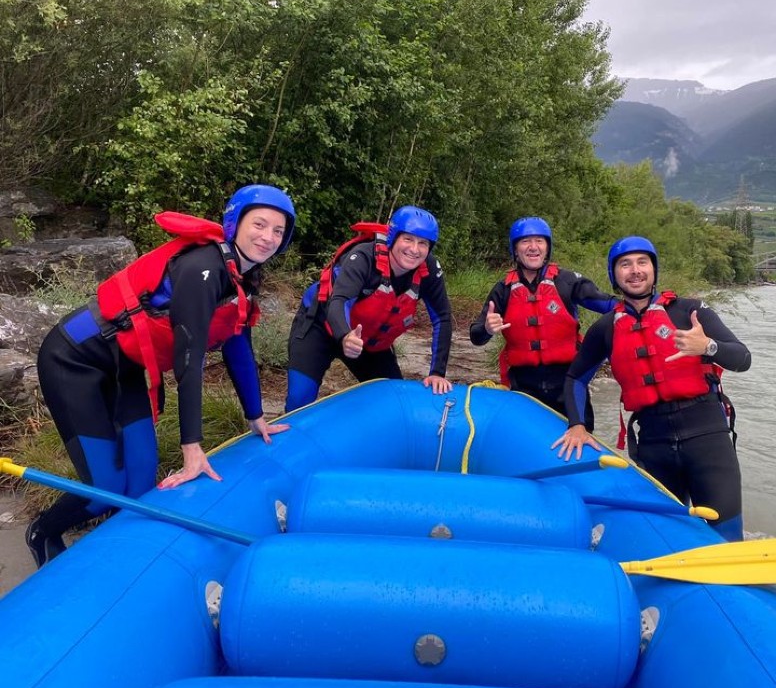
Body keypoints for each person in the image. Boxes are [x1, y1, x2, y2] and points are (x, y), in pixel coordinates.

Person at [27, 184, 295, 567]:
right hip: (75, 361)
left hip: (127, 369)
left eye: (278, 231)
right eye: (260, 225)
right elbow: (189, 358)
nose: (268, 237)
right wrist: (192, 449)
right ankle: (43, 531)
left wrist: (256, 417)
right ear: (235, 223)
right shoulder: (202, 266)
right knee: (105, 490)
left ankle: (121, 557)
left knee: (138, 486)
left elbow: (238, 348)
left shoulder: (242, 279)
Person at [553, 236, 751, 541]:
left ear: (654, 269)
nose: (635, 270)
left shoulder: (690, 311)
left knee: (725, 537)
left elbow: (742, 358)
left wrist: (707, 346)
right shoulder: (606, 328)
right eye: (625, 264)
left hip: (708, 440)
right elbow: (575, 378)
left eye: (642, 262)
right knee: (666, 539)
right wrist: (577, 425)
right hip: (653, 443)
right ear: (614, 275)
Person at [285, 205, 453, 412]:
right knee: (299, 398)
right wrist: (345, 335)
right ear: (393, 238)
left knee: (395, 404)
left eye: (423, 243)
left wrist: (437, 372)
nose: (414, 249)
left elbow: (442, 318)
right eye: (407, 239)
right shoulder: (364, 257)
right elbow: (339, 300)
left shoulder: (429, 270)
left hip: (368, 342)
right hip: (321, 328)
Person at [469, 217, 615, 428]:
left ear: (547, 248)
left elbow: (610, 305)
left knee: (580, 442)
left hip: (568, 383)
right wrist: (487, 328)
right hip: (524, 385)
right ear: (515, 250)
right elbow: (476, 336)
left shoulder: (568, 281)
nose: (533, 247)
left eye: (539, 241)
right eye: (525, 241)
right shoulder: (503, 290)